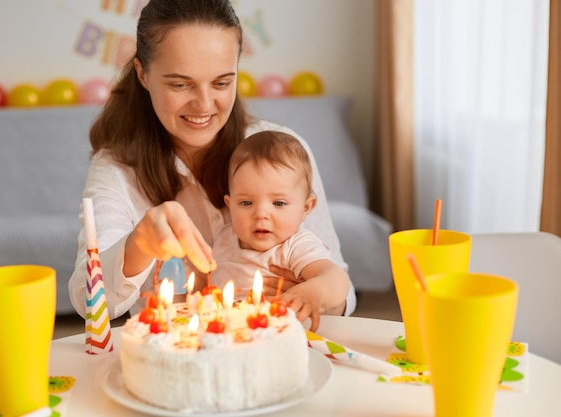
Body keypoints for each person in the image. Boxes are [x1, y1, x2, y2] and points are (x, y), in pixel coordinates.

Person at [68, 0, 356, 322]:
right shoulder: (116, 170)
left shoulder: (285, 155)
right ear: (143, 74)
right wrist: (139, 245)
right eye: (180, 84)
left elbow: (344, 294)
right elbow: (86, 300)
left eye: (221, 83)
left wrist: (309, 293)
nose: (204, 105)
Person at [212, 131, 350, 330]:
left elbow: (336, 277)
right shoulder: (224, 238)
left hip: (281, 340)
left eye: (278, 203)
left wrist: (314, 291)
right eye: (246, 202)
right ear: (230, 204)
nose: (261, 214)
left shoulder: (296, 246)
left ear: (306, 208)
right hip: (226, 340)